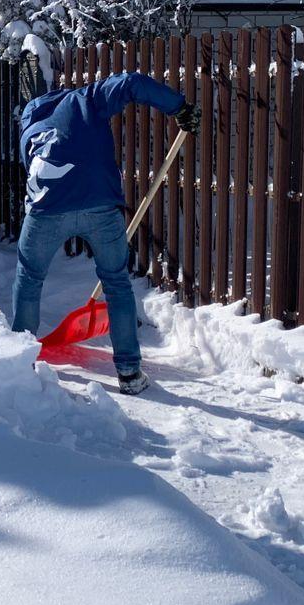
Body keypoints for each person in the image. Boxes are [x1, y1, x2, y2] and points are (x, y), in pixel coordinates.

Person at [12, 71, 200, 395]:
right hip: (99, 205)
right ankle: (129, 372)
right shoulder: (87, 98)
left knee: (29, 281)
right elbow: (132, 83)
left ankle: (17, 368)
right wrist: (178, 107)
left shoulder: (30, 123)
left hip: (45, 208)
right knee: (117, 283)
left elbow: (30, 168)